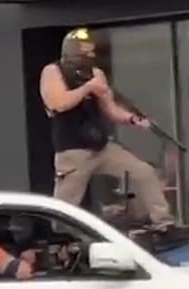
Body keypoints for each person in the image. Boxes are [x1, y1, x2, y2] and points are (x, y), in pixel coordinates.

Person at [39, 28, 176, 232]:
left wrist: (132, 119)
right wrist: (88, 88)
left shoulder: (95, 74)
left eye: (92, 51)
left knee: (144, 172)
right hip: (73, 151)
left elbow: (110, 109)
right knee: (66, 204)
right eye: (86, 52)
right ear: (72, 52)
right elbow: (58, 103)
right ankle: (61, 239)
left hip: (101, 146)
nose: (91, 56)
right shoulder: (53, 72)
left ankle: (164, 223)